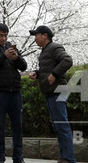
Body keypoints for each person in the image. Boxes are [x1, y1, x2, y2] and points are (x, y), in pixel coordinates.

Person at [28, 25, 75, 163]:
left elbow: (67, 60)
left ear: (45, 35)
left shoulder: (54, 47)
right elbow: (48, 69)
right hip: (50, 92)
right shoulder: (44, 52)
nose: (35, 38)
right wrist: (37, 74)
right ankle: (64, 157)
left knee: (61, 125)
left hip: (58, 91)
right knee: (58, 126)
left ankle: (68, 159)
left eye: (36, 35)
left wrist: (54, 74)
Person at [0, 22, 27, 163]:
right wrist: (4, 56)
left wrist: (16, 57)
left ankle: (18, 158)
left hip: (15, 92)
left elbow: (24, 66)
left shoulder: (11, 47)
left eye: (6, 35)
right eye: (1, 35)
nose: (4, 38)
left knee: (17, 126)